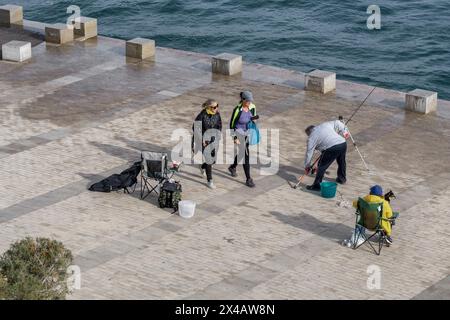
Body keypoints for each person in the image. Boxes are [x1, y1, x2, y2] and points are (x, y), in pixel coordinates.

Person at [303, 119, 349, 191]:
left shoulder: (311, 137)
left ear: (309, 133)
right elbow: (338, 122)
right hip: (342, 143)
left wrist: (307, 166)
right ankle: (342, 179)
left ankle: (316, 186)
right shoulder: (324, 125)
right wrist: (345, 132)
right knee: (341, 162)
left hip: (332, 147)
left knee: (321, 166)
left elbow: (309, 153)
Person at [228, 91, 259, 188]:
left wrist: (254, 119)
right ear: (243, 100)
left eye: (251, 101)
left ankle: (232, 167)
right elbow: (232, 125)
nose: (250, 102)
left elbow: (252, 117)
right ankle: (248, 179)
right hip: (238, 132)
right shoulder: (237, 110)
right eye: (248, 101)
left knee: (242, 152)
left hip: (247, 133)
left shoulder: (252, 107)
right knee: (246, 155)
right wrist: (234, 138)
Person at [192, 99, 222, 189]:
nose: (216, 108)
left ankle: (202, 166)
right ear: (208, 107)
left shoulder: (217, 114)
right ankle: (210, 181)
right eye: (214, 107)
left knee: (213, 160)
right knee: (209, 160)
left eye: (217, 106)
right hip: (204, 141)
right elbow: (195, 129)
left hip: (214, 139)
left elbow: (219, 125)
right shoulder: (201, 116)